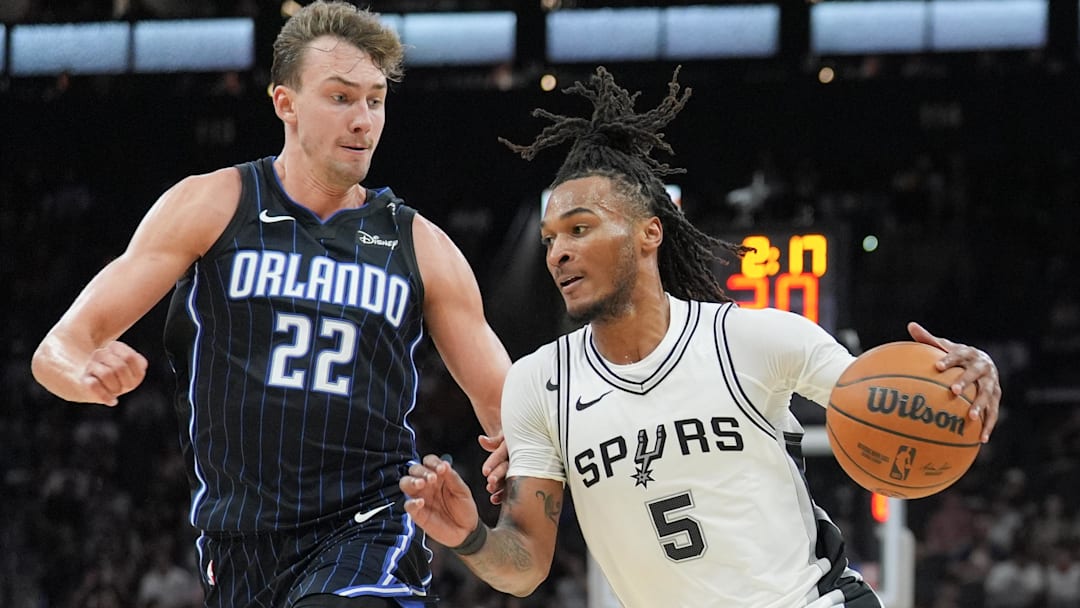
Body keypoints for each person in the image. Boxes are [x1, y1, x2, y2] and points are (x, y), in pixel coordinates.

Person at [399, 66, 1002, 607]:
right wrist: (472, 537)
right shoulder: (538, 382)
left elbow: (897, 404)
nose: (559, 252)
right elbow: (525, 565)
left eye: (580, 229)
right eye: (551, 238)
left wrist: (967, 383)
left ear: (648, 233)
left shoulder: (755, 340)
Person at [30, 2, 512, 607]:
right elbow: (60, 346)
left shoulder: (421, 245)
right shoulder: (211, 205)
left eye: (375, 100)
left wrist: (529, 448)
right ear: (285, 102)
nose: (363, 119)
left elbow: (509, 405)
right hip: (237, 544)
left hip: (370, 526)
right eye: (340, 98)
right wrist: (80, 373)